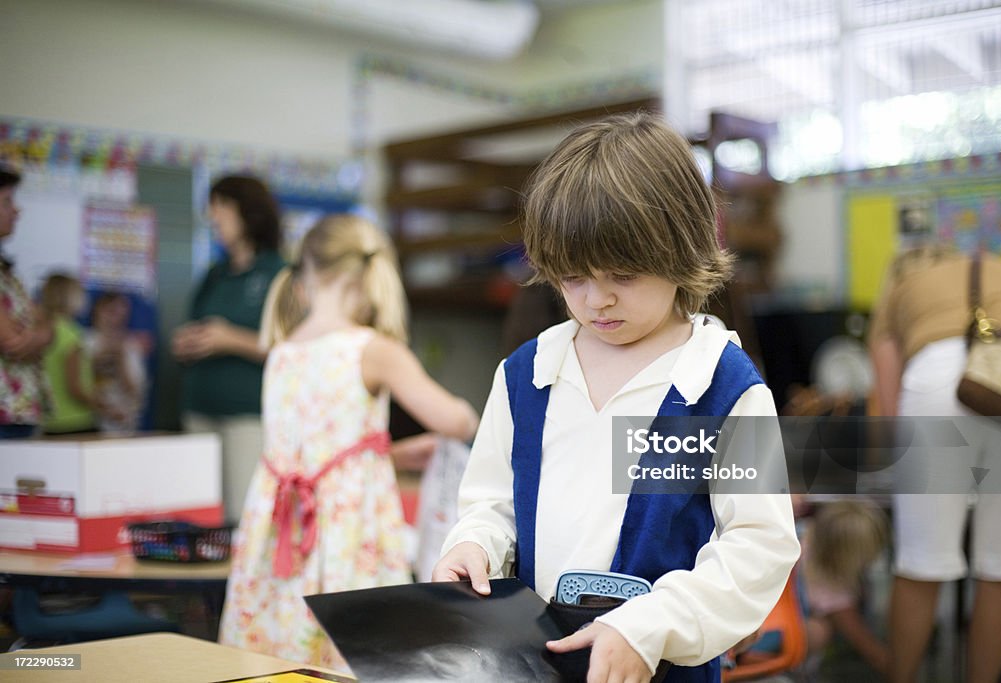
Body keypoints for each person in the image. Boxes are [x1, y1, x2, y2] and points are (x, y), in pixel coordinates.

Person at [432, 112, 800, 683]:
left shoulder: (723, 386)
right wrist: (473, 544)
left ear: (682, 249)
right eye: (573, 278)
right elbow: (493, 502)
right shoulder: (527, 375)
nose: (596, 299)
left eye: (622, 276)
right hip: (533, 664)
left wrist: (651, 624)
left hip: (660, 666)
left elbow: (758, 546)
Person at [219, 214, 479, 668]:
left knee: (282, 654)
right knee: (357, 652)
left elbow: (315, 453)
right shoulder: (373, 349)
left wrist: (390, 453)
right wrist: (466, 415)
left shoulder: (281, 352)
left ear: (306, 276)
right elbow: (457, 421)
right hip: (344, 530)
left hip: (281, 527)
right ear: (368, 278)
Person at [869, 244, 1001, 683]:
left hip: (937, 381)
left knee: (922, 560)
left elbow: (888, 404)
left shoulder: (901, 285)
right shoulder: (996, 267)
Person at [172, 174, 285, 523]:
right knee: (200, 515)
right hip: (199, 409)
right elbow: (196, 324)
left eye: (221, 206)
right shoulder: (214, 274)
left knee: (243, 516)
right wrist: (189, 342)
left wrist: (230, 339)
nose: (213, 217)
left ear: (248, 212)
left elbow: (293, 349)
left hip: (248, 415)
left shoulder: (279, 273)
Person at [798, 499, 889, 675]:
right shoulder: (830, 591)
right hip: (766, 637)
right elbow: (868, 647)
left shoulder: (801, 533)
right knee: (819, 631)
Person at [0, 164, 51, 438]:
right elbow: (12, 341)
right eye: (7, 201)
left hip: (17, 411)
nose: (17, 210)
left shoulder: (8, 271)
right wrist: (39, 335)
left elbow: (46, 325)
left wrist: (40, 334)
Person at [39, 273, 96, 435]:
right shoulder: (71, 334)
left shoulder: (40, 331)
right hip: (76, 421)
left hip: (49, 421)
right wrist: (103, 406)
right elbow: (75, 387)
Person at [85, 292, 146, 433]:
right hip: (90, 421)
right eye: (111, 312)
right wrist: (99, 360)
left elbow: (134, 390)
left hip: (123, 422)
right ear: (97, 311)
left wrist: (120, 358)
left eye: (121, 314)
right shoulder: (85, 341)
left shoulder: (130, 345)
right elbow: (78, 383)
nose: (115, 319)